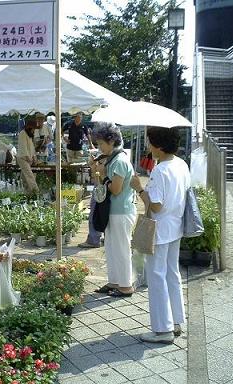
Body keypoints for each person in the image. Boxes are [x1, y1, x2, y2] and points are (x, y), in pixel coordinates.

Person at [130, 126, 190, 344]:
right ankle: (175, 321)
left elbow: (155, 205)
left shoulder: (160, 170)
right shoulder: (181, 164)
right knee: (172, 274)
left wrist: (139, 188)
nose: (148, 146)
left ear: (159, 145)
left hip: (160, 229)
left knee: (156, 276)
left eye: (150, 142)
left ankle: (162, 329)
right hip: (176, 227)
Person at [91, 122, 136, 297]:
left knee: (121, 248)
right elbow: (103, 185)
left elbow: (116, 189)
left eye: (101, 143)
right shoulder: (112, 159)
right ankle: (114, 281)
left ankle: (125, 286)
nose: (99, 147)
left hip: (121, 211)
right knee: (111, 248)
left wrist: (102, 175)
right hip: (113, 211)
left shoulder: (120, 161)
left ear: (111, 141)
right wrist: (97, 170)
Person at [16, 117, 39, 194]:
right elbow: (23, 147)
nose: (34, 130)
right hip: (23, 158)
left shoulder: (28, 134)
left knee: (25, 179)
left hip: (27, 159)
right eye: (33, 128)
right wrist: (29, 158)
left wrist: (34, 157)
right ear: (30, 127)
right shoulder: (22, 133)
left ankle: (27, 194)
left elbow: (31, 148)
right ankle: (36, 193)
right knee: (30, 177)